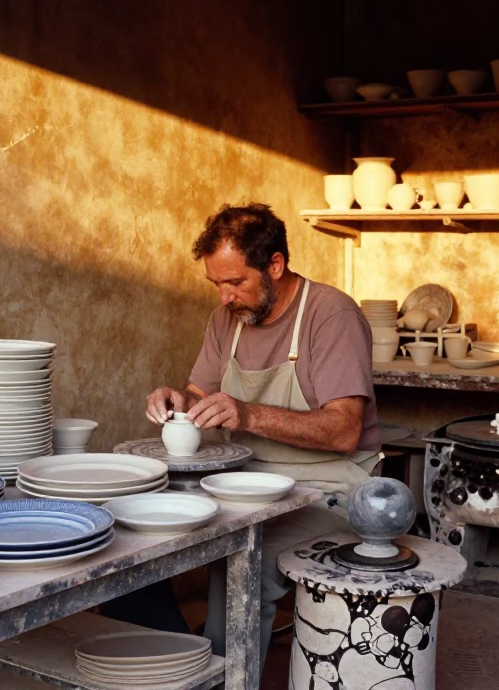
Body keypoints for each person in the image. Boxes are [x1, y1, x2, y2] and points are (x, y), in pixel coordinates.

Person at [145, 203, 381, 666]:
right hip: (243, 482)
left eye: (236, 282)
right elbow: (199, 396)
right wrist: (178, 402)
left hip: (330, 488)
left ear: (275, 265)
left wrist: (248, 415)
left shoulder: (331, 315)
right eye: (216, 284)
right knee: (146, 530)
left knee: (244, 558)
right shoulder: (226, 319)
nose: (224, 297)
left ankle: (223, 674)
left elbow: (344, 431)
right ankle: (170, 663)